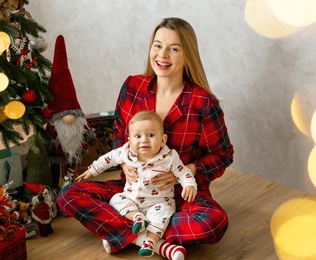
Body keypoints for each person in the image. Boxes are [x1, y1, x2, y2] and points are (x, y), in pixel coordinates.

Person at [58, 17, 234, 260]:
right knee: (68, 194)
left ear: (187, 56)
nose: (163, 55)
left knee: (213, 223)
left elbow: (223, 155)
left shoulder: (203, 102)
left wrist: (187, 171)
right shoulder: (133, 86)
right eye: (157, 45)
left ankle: (120, 231)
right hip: (132, 192)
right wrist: (123, 163)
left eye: (174, 48)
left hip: (179, 196)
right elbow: (120, 133)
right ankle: (153, 241)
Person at [76, 110, 198, 257]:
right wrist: (92, 170)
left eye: (151, 135)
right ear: (130, 140)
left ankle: (150, 242)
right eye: (138, 136)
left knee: (164, 214)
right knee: (116, 200)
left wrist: (189, 185)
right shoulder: (125, 152)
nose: (144, 140)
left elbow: (183, 172)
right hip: (131, 200)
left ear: (163, 140)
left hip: (158, 203)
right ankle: (137, 218)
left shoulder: (169, 157)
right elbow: (108, 159)